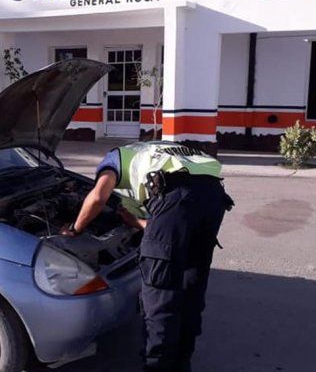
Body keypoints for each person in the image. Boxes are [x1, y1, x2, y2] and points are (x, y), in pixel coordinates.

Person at [61, 141, 233, 372]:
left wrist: (74, 229)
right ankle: (182, 363)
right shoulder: (156, 150)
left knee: (159, 295)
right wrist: (138, 223)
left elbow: (98, 197)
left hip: (176, 197)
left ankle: (157, 366)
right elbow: (175, 213)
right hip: (213, 197)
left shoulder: (114, 159)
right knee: (191, 285)